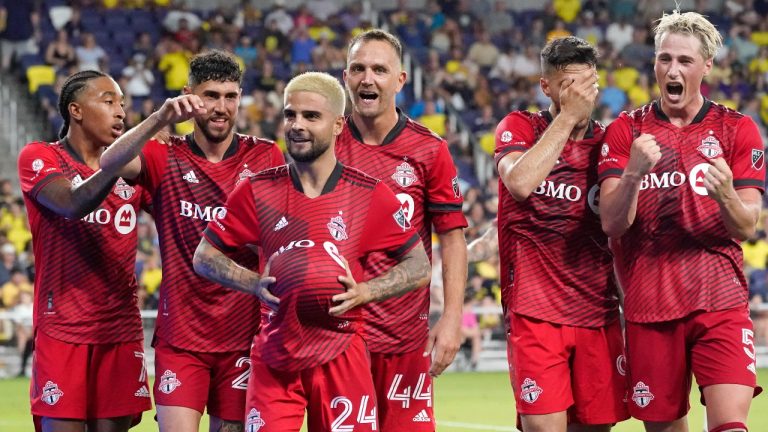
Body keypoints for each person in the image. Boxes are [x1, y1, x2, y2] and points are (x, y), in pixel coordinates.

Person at [192, 71, 432, 431]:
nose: (297, 125)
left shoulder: (369, 193)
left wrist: (368, 291)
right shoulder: (257, 190)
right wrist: (254, 283)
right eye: (291, 115)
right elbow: (204, 257)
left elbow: (419, 265)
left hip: (342, 354)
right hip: (275, 355)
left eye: (311, 116)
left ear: (338, 125)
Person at [100, 50, 285, 432]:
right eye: (211, 96)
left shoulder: (264, 155)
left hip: (244, 336)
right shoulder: (164, 151)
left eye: (230, 96)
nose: (221, 107)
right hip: (181, 336)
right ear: (189, 96)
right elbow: (109, 162)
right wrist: (160, 118)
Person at [598, 11, 763, 432]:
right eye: (664, 59)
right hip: (650, 306)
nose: (672, 70)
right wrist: (634, 171)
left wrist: (725, 192)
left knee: (730, 426)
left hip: (719, 301)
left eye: (685, 61)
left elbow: (746, 226)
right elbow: (612, 225)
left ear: (706, 65)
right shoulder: (625, 131)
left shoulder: (736, 129)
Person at [493, 36, 628, 431]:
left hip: (598, 314)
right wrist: (566, 118)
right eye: (570, 86)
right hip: (535, 312)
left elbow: (622, 236)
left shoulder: (609, 144)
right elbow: (519, 182)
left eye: (589, 84)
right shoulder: (519, 127)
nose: (582, 95)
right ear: (546, 86)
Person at [336, 28, 468, 431]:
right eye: (358, 69)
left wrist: (452, 318)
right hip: (339, 338)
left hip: (404, 340)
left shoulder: (429, 150)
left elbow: (452, 239)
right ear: (346, 78)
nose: (367, 79)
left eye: (379, 69)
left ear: (400, 80)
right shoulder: (326, 142)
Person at [17, 70, 151, 431]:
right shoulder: (40, 156)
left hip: (120, 330)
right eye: (108, 101)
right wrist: (150, 130)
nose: (121, 112)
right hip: (62, 328)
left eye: (123, 103)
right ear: (76, 110)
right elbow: (73, 202)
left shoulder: (134, 171)